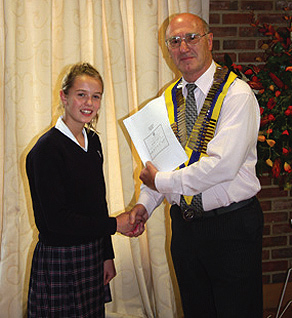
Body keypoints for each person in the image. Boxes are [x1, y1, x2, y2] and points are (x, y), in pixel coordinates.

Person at [130, 13, 264, 317]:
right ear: (168, 49)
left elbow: (221, 167)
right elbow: (162, 166)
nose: (183, 47)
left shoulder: (237, 95)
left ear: (210, 40)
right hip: (186, 229)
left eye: (192, 37)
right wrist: (144, 206)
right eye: (174, 41)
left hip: (231, 229)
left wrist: (160, 182)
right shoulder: (167, 98)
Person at [26, 62, 143, 318]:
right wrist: (114, 225)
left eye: (96, 96)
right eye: (81, 94)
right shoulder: (46, 150)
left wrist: (106, 254)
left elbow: (96, 203)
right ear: (64, 97)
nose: (89, 102)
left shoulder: (94, 141)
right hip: (60, 258)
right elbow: (57, 221)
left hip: (91, 255)